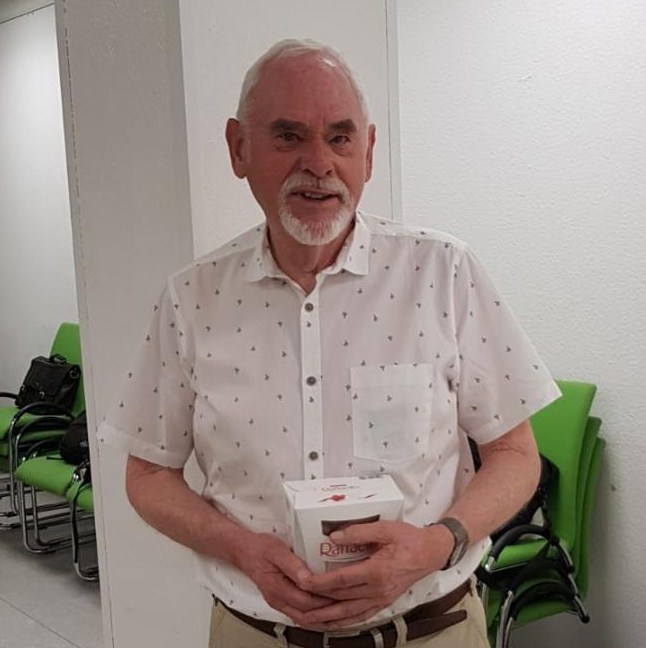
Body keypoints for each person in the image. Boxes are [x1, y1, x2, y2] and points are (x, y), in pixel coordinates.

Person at [99, 38, 561, 648]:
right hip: (255, 633)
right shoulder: (192, 298)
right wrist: (239, 547)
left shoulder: (443, 272)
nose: (318, 163)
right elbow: (147, 473)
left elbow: (516, 454)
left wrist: (436, 543)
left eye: (340, 138)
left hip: (431, 630)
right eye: (288, 136)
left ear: (367, 151)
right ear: (239, 148)